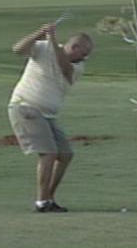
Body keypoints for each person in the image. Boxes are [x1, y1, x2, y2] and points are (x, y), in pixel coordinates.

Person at [8, 21, 94, 213]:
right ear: (74, 47)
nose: (85, 57)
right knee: (48, 154)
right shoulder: (43, 48)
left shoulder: (76, 66)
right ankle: (41, 201)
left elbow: (64, 67)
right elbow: (17, 49)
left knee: (65, 154)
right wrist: (40, 32)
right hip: (26, 107)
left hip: (47, 114)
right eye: (84, 53)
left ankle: (49, 197)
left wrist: (52, 39)